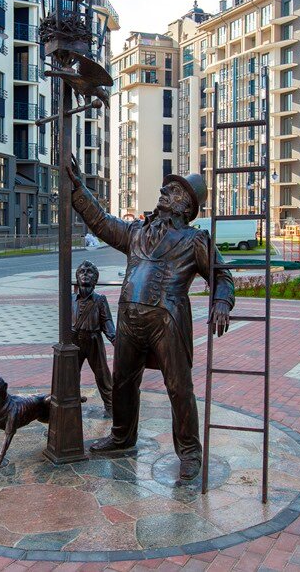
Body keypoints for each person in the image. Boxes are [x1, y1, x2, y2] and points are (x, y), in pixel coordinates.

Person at [67, 155, 235, 481]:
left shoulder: (195, 240)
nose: (163, 191)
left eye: (172, 190)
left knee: (179, 388)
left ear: (185, 206)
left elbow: (222, 277)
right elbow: (100, 222)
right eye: (166, 188)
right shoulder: (136, 232)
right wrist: (78, 189)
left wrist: (221, 302)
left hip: (167, 322)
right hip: (129, 319)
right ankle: (121, 436)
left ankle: (189, 452)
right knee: (123, 382)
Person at [71, 260, 114, 416]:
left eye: (89, 272)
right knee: (71, 374)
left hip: (94, 340)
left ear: (95, 278)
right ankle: (72, 402)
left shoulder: (100, 300)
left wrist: (114, 338)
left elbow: (107, 321)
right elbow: (64, 320)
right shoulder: (70, 299)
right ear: (77, 277)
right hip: (74, 341)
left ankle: (111, 405)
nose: (85, 274)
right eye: (82, 272)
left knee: (102, 375)